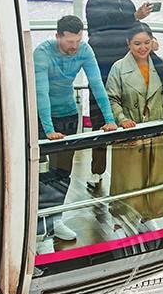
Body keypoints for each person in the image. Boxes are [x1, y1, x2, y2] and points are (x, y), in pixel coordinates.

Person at [33, 15, 117, 253]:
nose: (74, 47)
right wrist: (49, 130)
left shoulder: (84, 50)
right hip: (42, 117)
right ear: (58, 36)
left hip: (69, 115)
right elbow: (41, 94)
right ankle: (40, 232)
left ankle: (54, 221)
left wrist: (110, 120)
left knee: (62, 174)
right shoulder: (42, 53)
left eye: (77, 41)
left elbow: (97, 85)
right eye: (69, 41)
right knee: (38, 176)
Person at [105, 24, 163, 228]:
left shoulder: (160, 64)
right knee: (130, 177)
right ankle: (125, 215)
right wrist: (122, 119)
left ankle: (152, 213)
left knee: (155, 174)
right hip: (132, 130)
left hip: (157, 129)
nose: (143, 48)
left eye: (147, 43)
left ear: (153, 42)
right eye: (137, 43)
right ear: (128, 44)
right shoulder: (119, 68)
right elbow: (111, 98)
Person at [85, 0, 157, 191]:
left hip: (125, 68)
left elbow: (135, 29)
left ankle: (129, 172)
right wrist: (134, 16)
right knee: (101, 118)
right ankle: (97, 173)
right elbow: (104, 24)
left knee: (127, 116)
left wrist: (150, 39)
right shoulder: (95, 2)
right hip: (102, 68)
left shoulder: (127, 5)